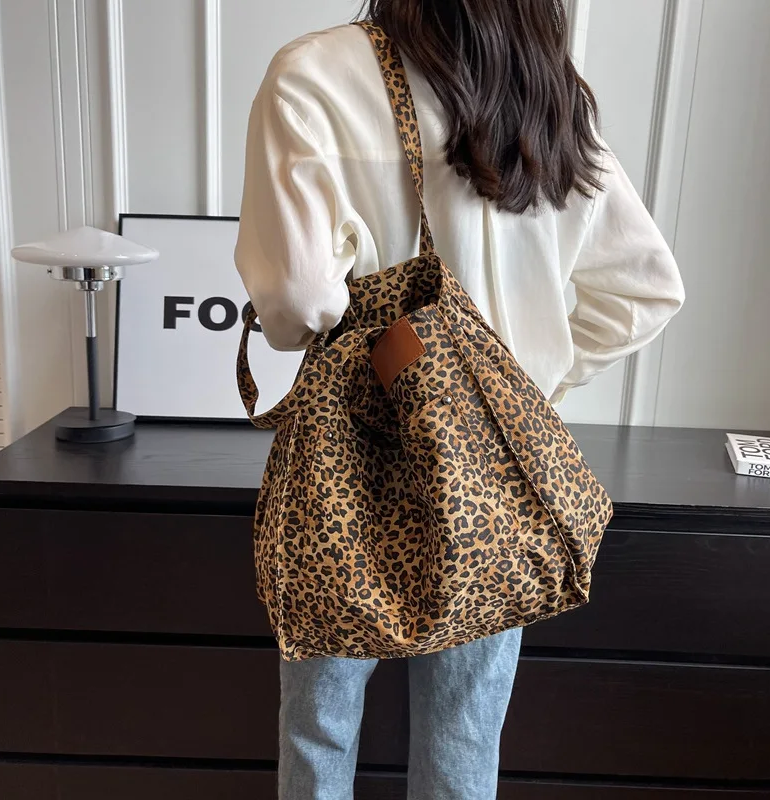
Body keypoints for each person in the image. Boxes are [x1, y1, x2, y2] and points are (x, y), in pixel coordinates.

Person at [235, 1, 685, 797]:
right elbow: (645, 290)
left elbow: (299, 301)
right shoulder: (543, 90)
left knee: (318, 727)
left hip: (349, 466)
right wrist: (520, 388)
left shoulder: (313, 72)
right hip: (491, 477)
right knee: (465, 739)